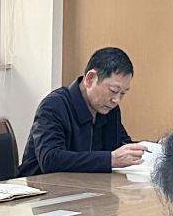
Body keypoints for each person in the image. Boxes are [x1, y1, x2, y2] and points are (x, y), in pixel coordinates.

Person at [19, 46, 147, 176]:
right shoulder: (54, 106)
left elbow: (121, 144)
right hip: (41, 186)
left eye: (123, 93)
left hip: (88, 185)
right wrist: (110, 160)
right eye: (113, 91)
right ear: (90, 78)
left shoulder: (109, 109)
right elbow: (50, 159)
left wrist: (146, 149)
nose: (116, 100)